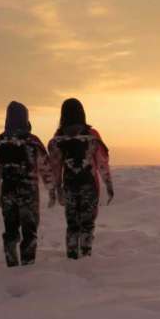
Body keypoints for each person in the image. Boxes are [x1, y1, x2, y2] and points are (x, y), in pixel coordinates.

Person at [0, 101, 55, 267]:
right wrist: (51, 189)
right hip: (29, 193)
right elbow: (45, 168)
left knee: (10, 229)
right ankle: (27, 264)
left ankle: (11, 262)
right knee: (29, 231)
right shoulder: (33, 142)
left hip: (8, 191)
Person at [48, 98, 114, 259]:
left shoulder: (58, 138)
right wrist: (108, 184)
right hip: (89, 186)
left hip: (69, 187)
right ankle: (86, 256)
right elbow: (102, 162)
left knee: (72, 225)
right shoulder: (92, 135)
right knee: (87, 224)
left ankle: (71, 257)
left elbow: (55, 167)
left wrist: (56, 188)